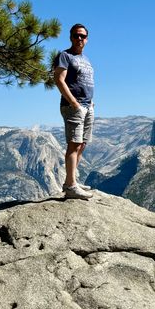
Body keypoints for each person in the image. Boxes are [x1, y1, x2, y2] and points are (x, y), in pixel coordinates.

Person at [54, 23, 95, 200]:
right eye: (77, 35)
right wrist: (74, 103)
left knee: (83, 143)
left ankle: (72, 180)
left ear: (87, 39)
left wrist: (91, 103)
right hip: (74, 106)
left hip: (88, 105)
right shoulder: (65, 56)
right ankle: (71, 186)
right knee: (74, 144)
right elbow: (59, 79)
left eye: (83, 36)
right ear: (71, 37)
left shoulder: (86, 59)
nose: (80, 39)